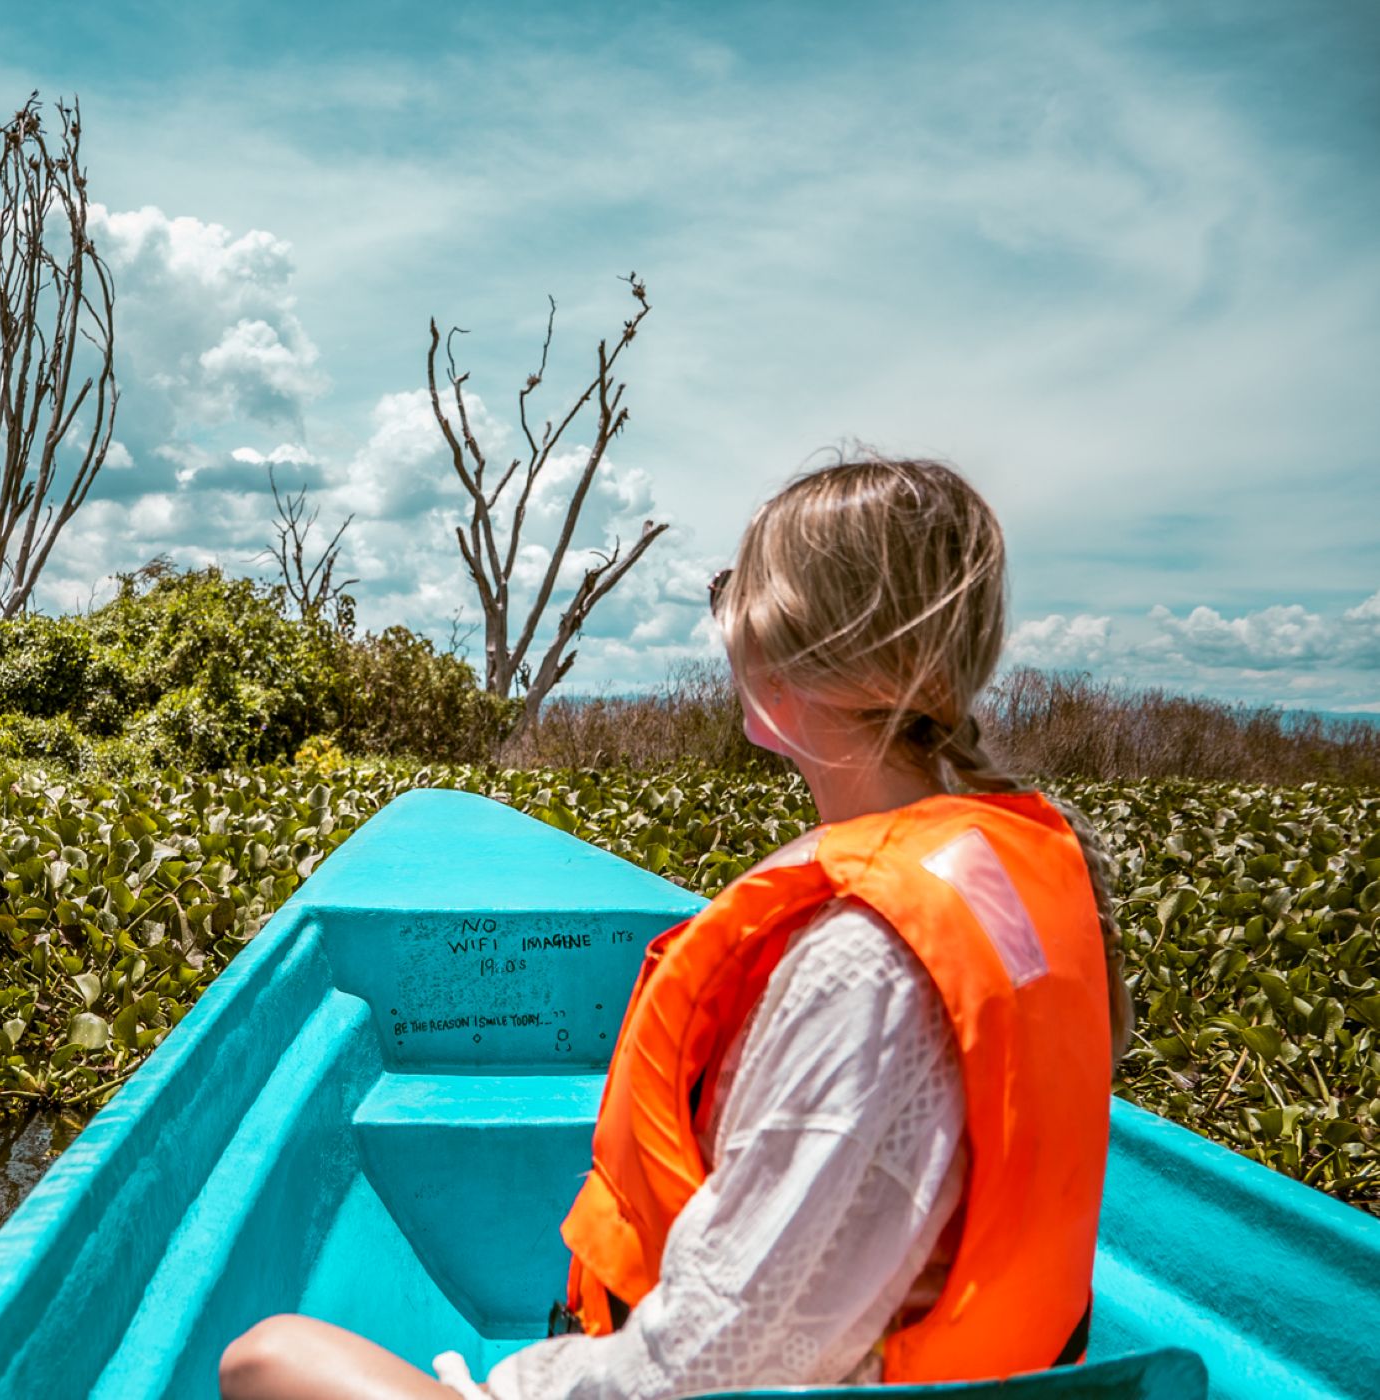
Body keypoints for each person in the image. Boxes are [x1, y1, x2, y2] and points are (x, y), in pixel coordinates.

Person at [219, 455, 1133, 1400]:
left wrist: (514, 1386)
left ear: (783, 650)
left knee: (268, 1359)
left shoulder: (864, 966)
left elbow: (711, 1364)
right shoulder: (1003, 879)